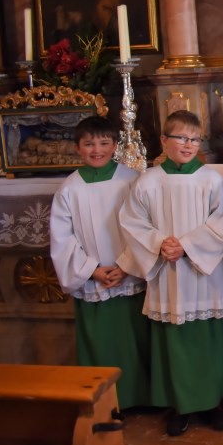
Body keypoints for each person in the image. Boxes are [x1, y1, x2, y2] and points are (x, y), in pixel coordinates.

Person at [119, 110, 223, 436]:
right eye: (181, 138)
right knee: (174, 342)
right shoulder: (148, 181)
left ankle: (216, 401)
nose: (189, 145)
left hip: (205, 274)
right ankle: (179, 404)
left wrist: (187, 245)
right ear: (164, 140)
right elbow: (132, 222)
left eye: (194, 139)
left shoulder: (211, 180)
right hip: (168, 273)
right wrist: (160, 244)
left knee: (210, 339)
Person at [49, 116, 150, 410]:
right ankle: (106, 401)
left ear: (115, 145)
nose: (97, 150)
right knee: (102, 343)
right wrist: (91, 270)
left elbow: (144, 227)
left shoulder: (132, 180)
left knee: (135, 340)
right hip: (93, 280)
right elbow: (62, 239)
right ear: (77, 148)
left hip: (128, 276)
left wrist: (126, 265)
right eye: (89, 144)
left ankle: (142, 398)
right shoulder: (69, 189)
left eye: (104, 143)